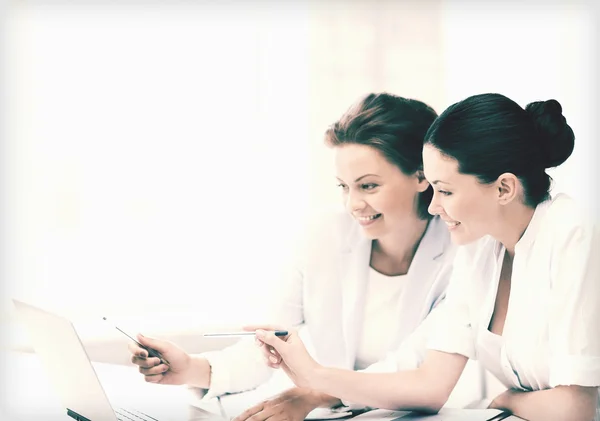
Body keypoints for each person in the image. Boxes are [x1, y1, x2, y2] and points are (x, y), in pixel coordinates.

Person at [247, 93, 600, 421]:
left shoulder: (573, 234)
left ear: (504, 188)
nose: (433, 206)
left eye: (445, 190)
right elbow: (430, 384)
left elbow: (576, 407)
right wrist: (316, 382)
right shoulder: (478, 248)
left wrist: (507, 400)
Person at [128, 93, 459, 420]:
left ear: (420, 176)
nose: (353, 204)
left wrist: (314, 393)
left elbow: (414, 369)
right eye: (344, 187)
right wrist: (192, 368)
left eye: (368, 186)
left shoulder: (460, 255)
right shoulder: (323, 235)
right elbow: (269, 345)